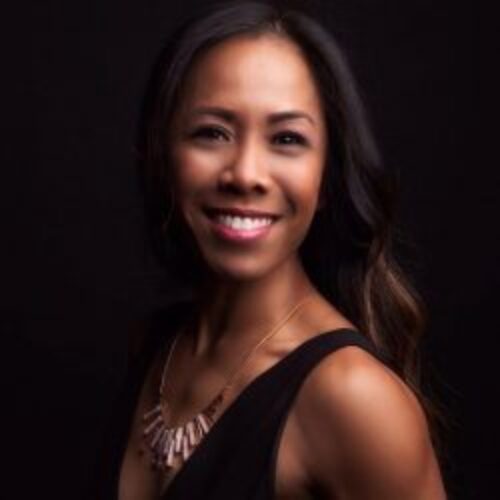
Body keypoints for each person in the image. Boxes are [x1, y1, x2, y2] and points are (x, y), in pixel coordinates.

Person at [90, 1, 448, 498]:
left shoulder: (353, 397)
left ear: (327, 178)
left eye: (286, 138)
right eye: (212, 133)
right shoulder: (156, 345)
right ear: (161, 155)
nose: (246, 174)